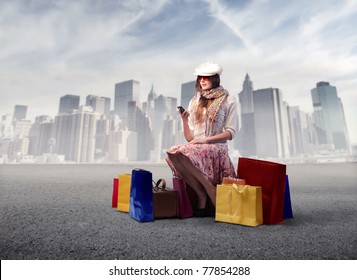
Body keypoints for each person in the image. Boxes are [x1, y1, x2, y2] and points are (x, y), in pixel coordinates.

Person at [166, 61, 237, 217]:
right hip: (197, 145)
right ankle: (202, 193)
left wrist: (205, 140)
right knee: (172, 152)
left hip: (217, 147)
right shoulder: (194, 101)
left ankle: (210, 191)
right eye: (200, 78)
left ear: (215, 78)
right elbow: (191, 137)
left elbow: (230, 133)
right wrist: (185, 121)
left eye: (206, 77)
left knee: (183, 152)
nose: (202, 80)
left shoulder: (228, 99)